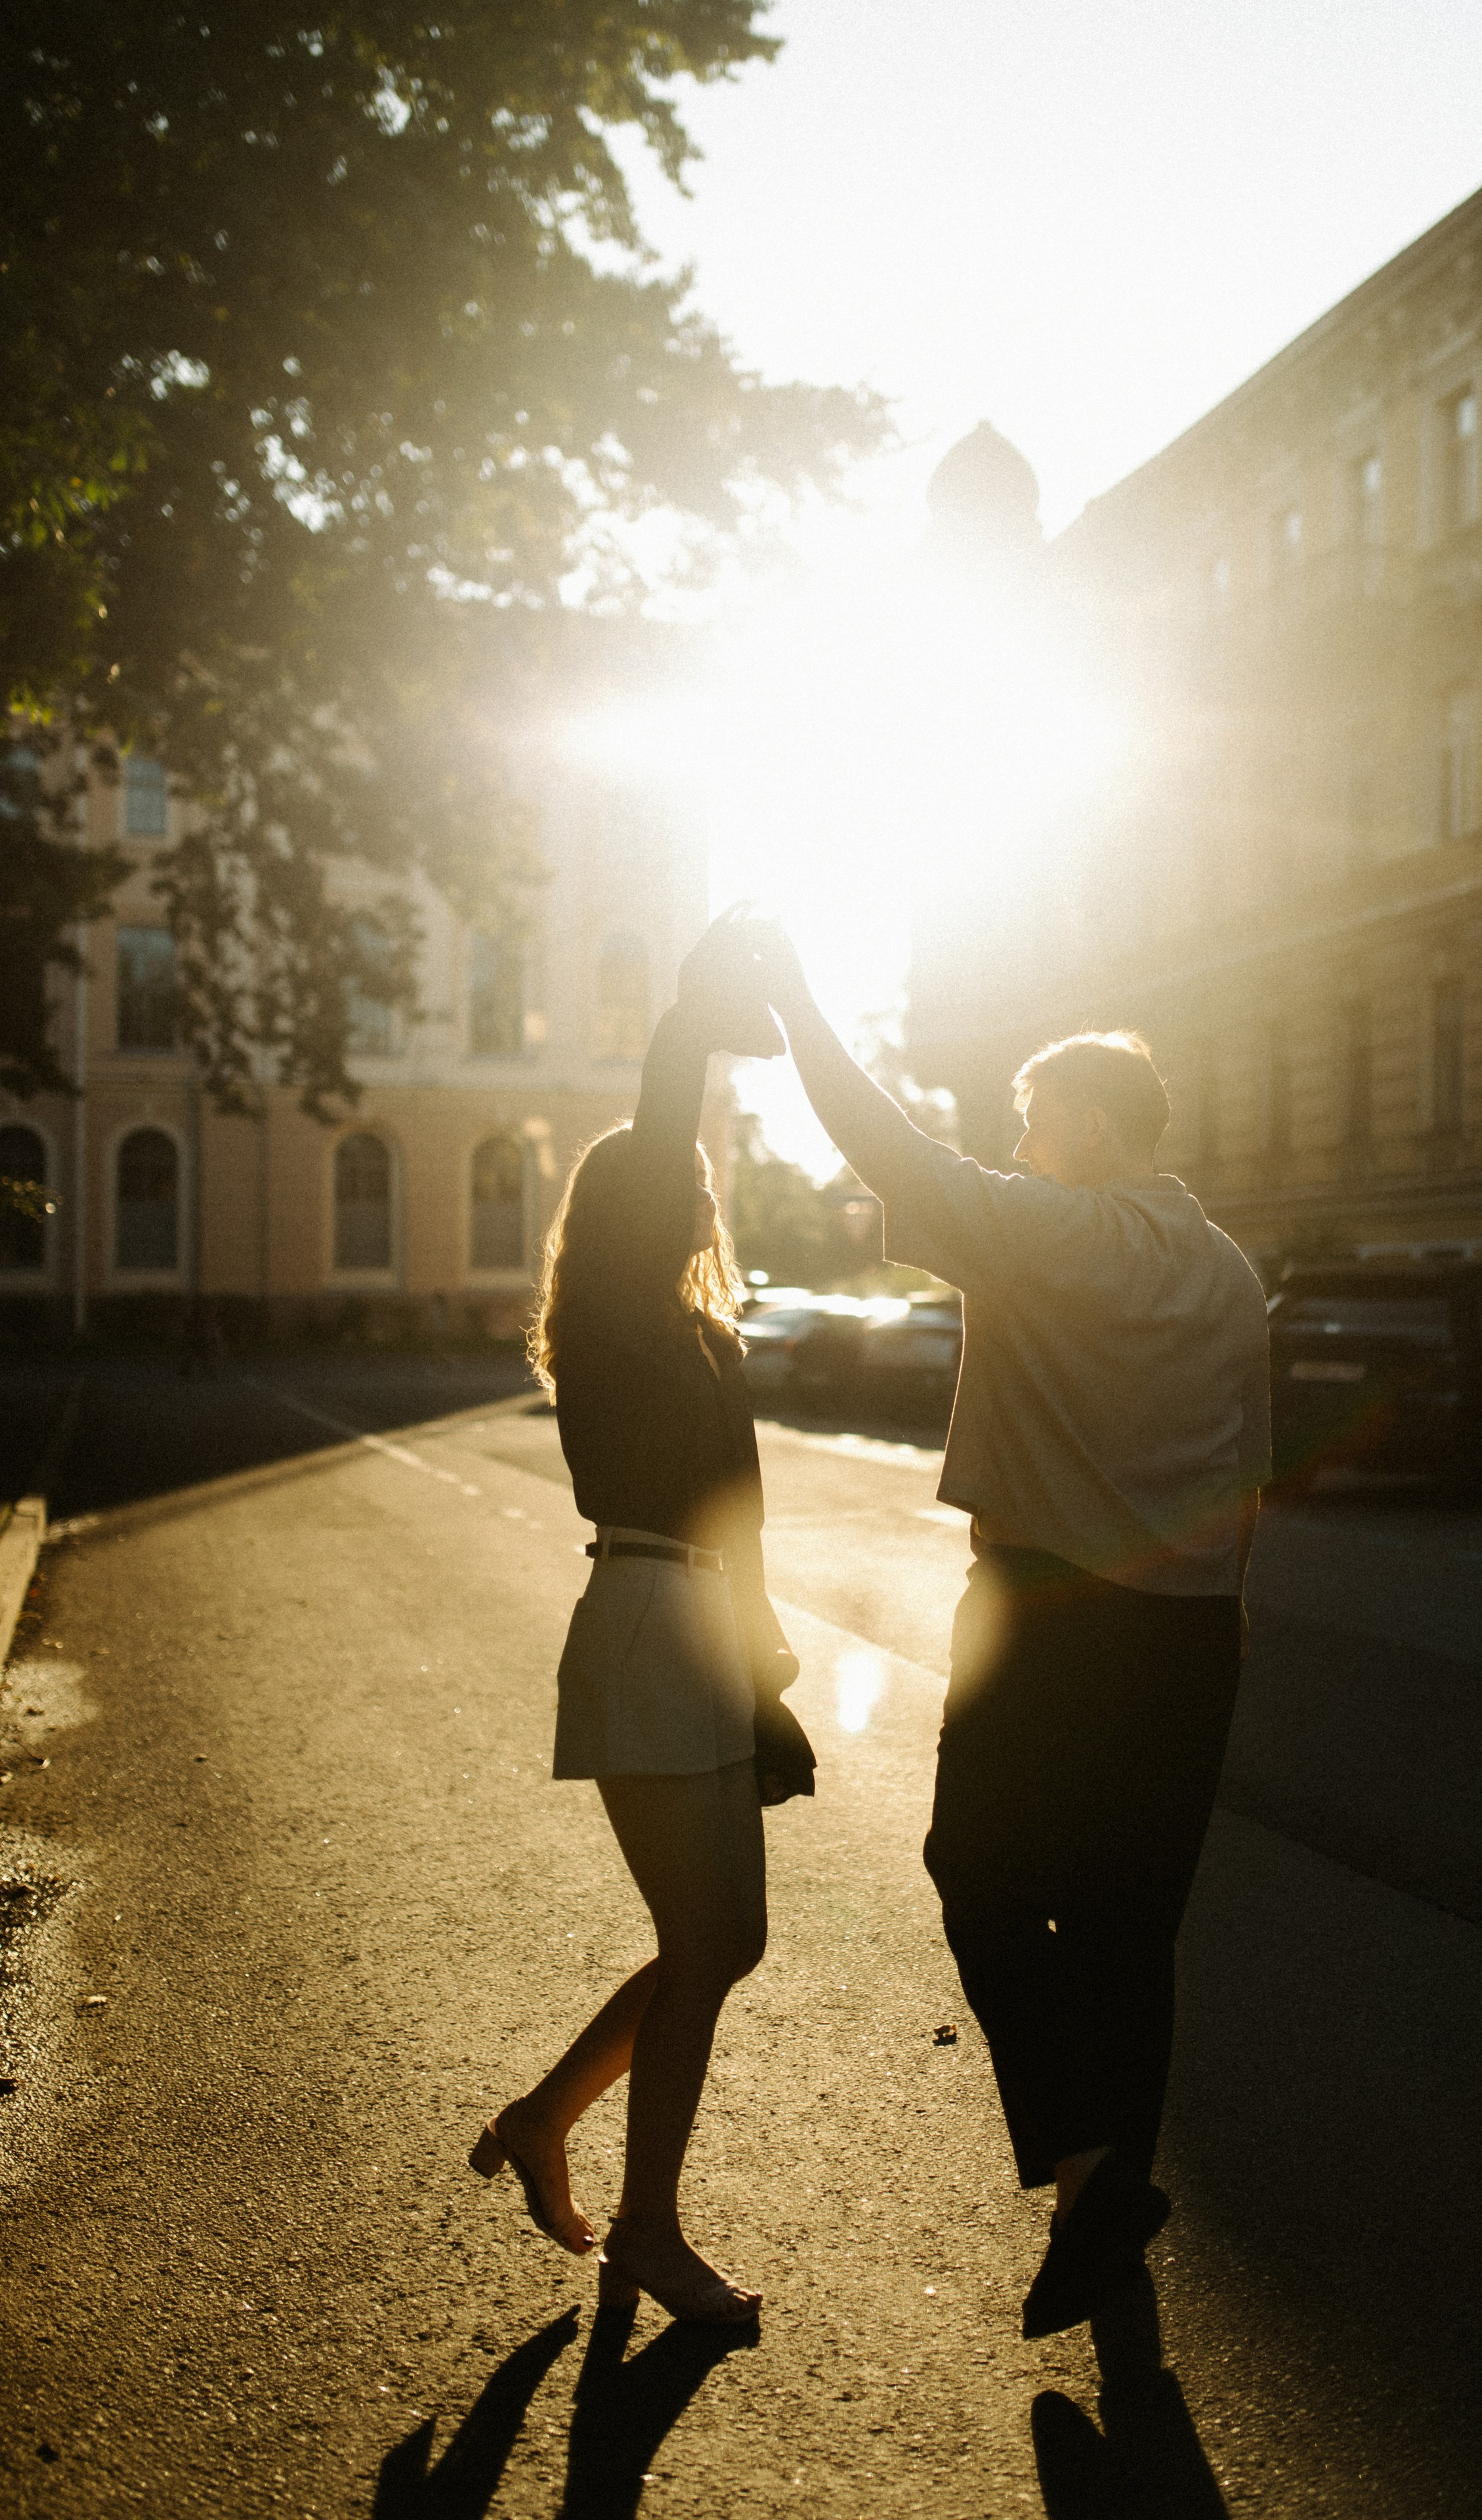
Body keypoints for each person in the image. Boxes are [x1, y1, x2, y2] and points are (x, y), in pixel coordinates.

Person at [740, 918, 1271, 2345]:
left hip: (1042, 1618)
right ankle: (1109, 2229)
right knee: (1127, 1928)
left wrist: (794, 999)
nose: (1019, 1140)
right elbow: (1248, 1471)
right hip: (1184, 1636)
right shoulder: (1225, 1271)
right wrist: (1221, 1626)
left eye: (1035, 1119)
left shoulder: (1048, 1234)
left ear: (1089, 1126)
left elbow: (887, 1151)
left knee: (974, 1873)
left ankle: (1089, 2179)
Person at [469, 924, 811, 2326]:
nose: (693, 1193)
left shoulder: (701, 1342)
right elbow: (665, 1120)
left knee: (722, 1942)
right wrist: (694, 1018)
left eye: (697, 1182)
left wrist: (768, 1682)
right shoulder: (612, 1324)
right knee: (709, 1936)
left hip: (700, 1630)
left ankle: (549, 2119)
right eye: (669, 1180)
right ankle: (650, 2234)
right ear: (622, 1213)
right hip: (636, 1621)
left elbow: (743, 1531)